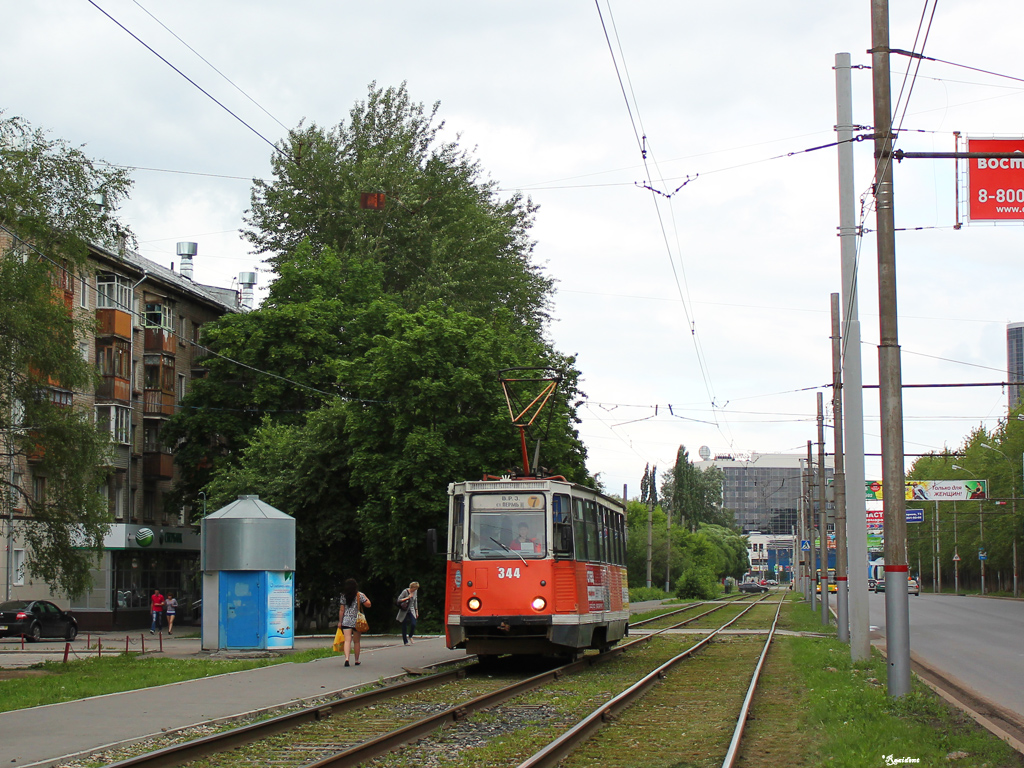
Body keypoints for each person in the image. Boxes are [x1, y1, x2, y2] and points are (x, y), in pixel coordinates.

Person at [338, 578, 371, 667]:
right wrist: (365, 597)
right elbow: (368, 604)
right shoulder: (359, 595)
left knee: (347, 640)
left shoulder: (343, 596)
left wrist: (340, 622)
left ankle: (347, 659)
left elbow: (341, 610)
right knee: (356, 642)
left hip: (346, 620)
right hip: (357, 621)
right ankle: (356, 660)